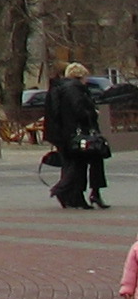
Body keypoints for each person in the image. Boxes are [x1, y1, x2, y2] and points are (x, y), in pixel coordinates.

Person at [46, 64, 110, 210]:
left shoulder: (59, 88)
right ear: (80, 76)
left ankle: (75, 196)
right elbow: (79, 110)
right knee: (81, 163)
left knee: (74, 164)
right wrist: (92, 113)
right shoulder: (74, 89)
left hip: (64, 134)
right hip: (77, 133)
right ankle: (65, 192)